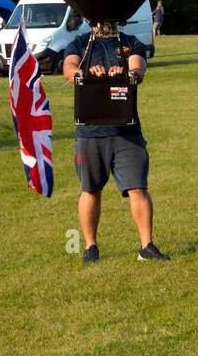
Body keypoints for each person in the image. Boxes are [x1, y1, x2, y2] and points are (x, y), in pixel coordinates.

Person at [62, 20, 169, 264]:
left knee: (138, 188)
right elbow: (69, 69)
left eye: (109, 19)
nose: (104, 24)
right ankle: (91, 247)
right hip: (90, 132)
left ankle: (147, 246)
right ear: (92, 21)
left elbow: (138, 69)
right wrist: (84, 73)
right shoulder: (80, 43)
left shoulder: (130, 43)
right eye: (99, 19)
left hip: (127, 132)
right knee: (90, 189)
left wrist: (128, 73)